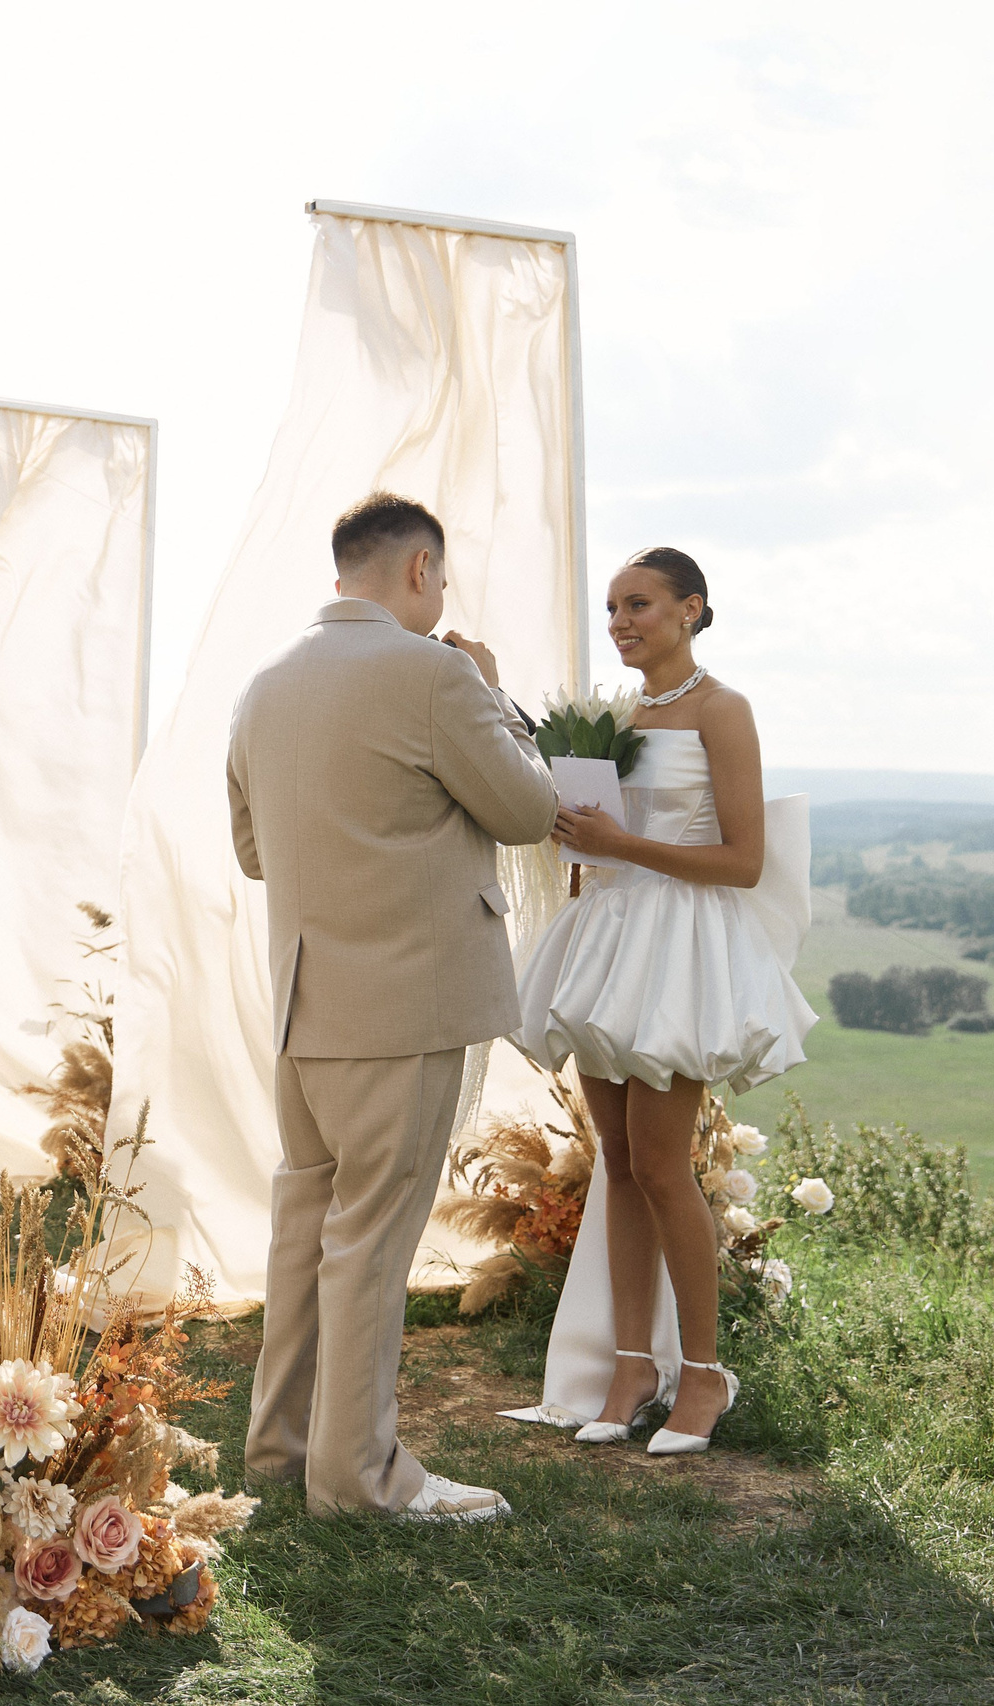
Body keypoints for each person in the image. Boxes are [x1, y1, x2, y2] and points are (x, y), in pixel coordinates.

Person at [229, 491, 558, 1520]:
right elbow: (527, 807)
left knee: (307, 1228)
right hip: (401, 1008)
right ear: (420, 570)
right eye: (443, 580)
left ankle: (281, 1450)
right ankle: (359, 1480)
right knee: (369, 1243)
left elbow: (251, 852)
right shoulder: (435, 673)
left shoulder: (263, 684)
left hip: (301, 1008)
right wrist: (496, 696)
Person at [510, 546, 815, 1454]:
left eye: (639, 605)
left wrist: (623, 844)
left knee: (662, 1161)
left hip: (682, 947)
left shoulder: (725, 711)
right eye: (612, 608)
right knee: (618, 1156)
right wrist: (584, 846)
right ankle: (632, 1365)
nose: (621, 622)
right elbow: (607, 837)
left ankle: (708, 1377)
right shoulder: (617, 717)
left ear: (692, 609)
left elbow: (744, 860)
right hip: (610, 937)